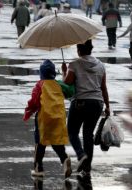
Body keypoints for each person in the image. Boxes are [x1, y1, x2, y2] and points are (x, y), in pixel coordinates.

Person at [61, 40, 110, 179]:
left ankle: (81, 154)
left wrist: (64, 72)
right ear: (90, 49)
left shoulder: (74, 64)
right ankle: (87, 167)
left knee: (72, 131)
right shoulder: (101, 65)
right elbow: (103, 88)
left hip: (80, 102)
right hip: (97, 103)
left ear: (78, 50)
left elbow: (67, 84)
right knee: (88, 134)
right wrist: (107, 106)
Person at [23, 59, 72, 178]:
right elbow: (70, 91)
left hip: (44, 118)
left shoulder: (39, 85)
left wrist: (28, 111)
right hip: (58, 117)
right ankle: (64, 159)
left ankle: (38, 168)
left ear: (41, 73)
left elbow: (34, 101)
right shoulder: (59, 84)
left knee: (40, 143)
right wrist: (65, 73)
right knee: (56, 142)